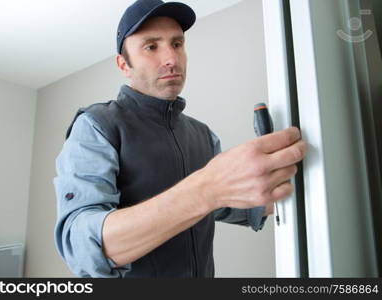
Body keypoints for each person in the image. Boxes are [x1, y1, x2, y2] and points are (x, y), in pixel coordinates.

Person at [53, 0, 307, 278]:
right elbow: (82, 248)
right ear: (124, 64)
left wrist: (278, 183)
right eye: (151, 46)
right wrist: (207, 188)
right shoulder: (96, 125)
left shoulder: (203, 135)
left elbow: (225, 205)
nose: (171, 59)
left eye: (177, 44)